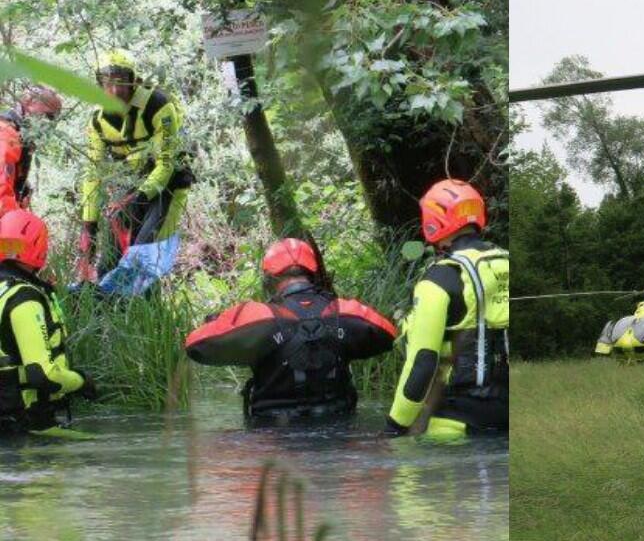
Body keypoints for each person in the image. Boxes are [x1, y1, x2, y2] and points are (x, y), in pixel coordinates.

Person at [184, 238, 397, 421]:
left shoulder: (255, 316)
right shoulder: (347, 312)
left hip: (272, 436)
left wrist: (219, 323)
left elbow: (195, 345)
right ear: (313, 274)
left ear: (269, 279)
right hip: (339, 432)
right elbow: (391, 335)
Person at [387, 179, 509, 439]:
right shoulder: (506, 261)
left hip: (460, 420)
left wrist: (394, 428)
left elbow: (422, 362)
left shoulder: (440, 278)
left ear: (434, 220)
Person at [77, 50, 193, 283]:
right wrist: (89, 223)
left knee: (145, 253)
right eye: (108, 84)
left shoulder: (158, 105)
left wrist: (139, 199)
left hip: (169, 184)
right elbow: (93, 172)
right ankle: (106, 309)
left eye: (122, 83)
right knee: (109, 258)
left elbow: (167, 162)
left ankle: (149, 312)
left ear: (133, 81)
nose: (115, 91)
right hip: (132, 184)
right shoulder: (97, 121)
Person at [0, 210, 98, 435]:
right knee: (99, 452)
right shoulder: (24, 298)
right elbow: (43, 375)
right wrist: (82, 382)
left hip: (9, 420)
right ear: (39, 247)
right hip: (23, 423)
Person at [0, 86, 63, 214]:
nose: (47, 122)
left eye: (52, 118)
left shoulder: (21, 135)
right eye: (47, 115)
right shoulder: (7, 133)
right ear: (28, 103)